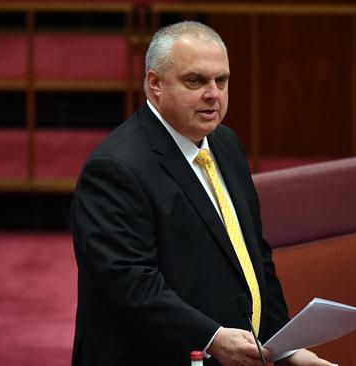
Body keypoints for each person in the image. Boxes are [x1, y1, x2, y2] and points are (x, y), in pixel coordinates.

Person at [71, 21, 337, 366]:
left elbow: (253, 256)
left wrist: (285, 346)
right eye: (195, 81)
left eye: (221, 80)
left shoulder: (226, 144)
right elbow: (130, 285)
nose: (213, 94)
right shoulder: (115, 169)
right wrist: (211, 339)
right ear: (155, 85)